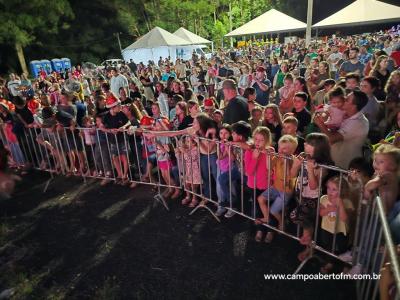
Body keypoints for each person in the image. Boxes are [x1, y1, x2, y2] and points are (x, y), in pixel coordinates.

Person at [289, 133, 334, 260]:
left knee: (297, 216)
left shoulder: (322, 165)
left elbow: (314, 186)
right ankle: (308, 247)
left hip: (312, 198)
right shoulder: (303, 155)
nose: (304, 144)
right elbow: (292, 175)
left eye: (309, 143)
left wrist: (310, 169)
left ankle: (309, 237)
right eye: (306, 142)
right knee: (304, 219)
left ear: (319, 148)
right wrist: (295, 165)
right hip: (300, 194)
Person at [256, 135, 298, 242]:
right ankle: (266, 218)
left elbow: (291, 175)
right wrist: (269, 156)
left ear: (292, 150)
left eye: (284, 148)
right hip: (276, 187)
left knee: (274, 210)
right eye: (280, 147)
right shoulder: (278, 156)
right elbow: (269, 166)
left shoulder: (292, 159)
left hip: (286, 191)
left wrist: (286, 161)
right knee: (260, 199)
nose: (281, 150)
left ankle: (281, 221)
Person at [314, 90, 369, 169]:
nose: (343, 100)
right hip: (333, 163)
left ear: (354, 106)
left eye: (346, 100)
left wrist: (320, 124)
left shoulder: (358, 123)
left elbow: (332, 138)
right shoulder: (345, 114)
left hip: (343, 167)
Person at [103, 94, 131, 185]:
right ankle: (119, 174)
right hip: (112, 140)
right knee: (115, 157)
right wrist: (109, 130)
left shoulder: (121, 114)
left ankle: (125, 175)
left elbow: (128, 122)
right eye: (118, 106)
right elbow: (101, 127)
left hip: (122, 139)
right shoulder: (106, 116)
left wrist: (123, 127)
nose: (120, 107)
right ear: (113, 107)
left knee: (124, 156)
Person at [364, 144, 400, 214]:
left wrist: (367, 187)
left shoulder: (388, 175)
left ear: (393, 166)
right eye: (375, 160)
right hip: (379, 214)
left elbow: (373, 184)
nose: (376, 163)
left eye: (381, 162)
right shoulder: (379, 174)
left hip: (386, 216)